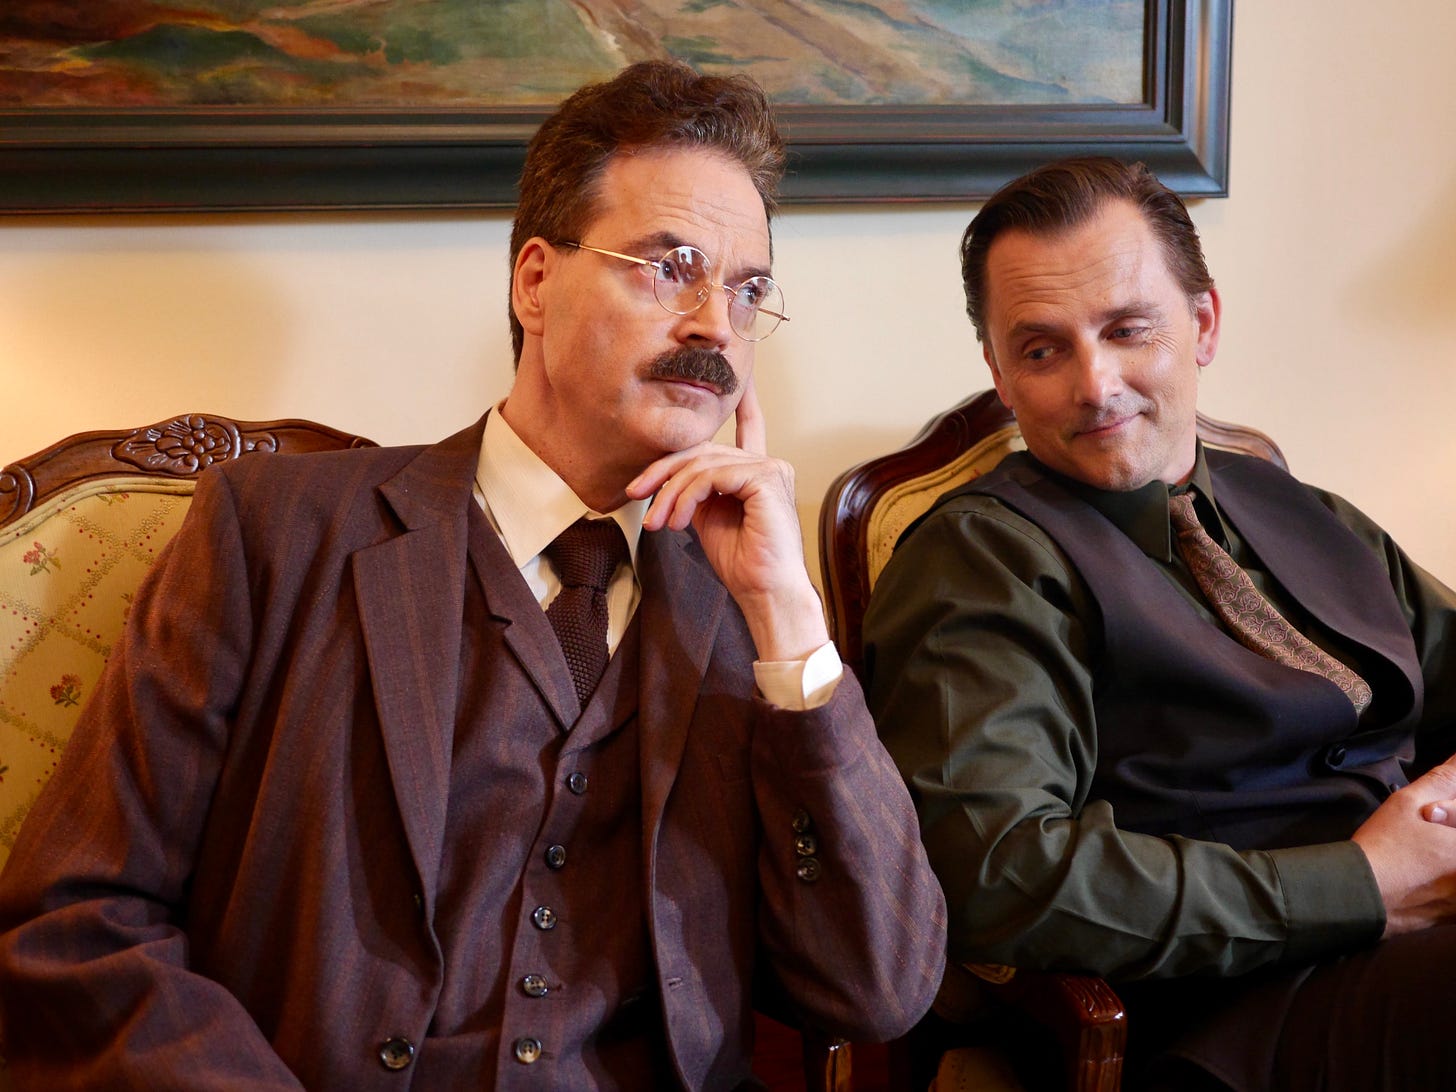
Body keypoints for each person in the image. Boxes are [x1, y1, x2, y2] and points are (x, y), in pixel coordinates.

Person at [0, 61, 945, 1091]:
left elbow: (876, 992)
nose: (716, 324)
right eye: (670, 266)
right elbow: (79, 919)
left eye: (747, 288)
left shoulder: (748, 604)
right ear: (534, 281)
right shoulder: (276, 532)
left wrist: (792, 632)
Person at [863, 156, 1456, 1091]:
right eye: (1043, 349)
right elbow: (1003, 871)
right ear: (1001, 374)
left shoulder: (1310, 510)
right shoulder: (978, 560)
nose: (1095, 387)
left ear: (1204, 324)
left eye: (1128, 329)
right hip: (1225, 1011)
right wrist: (1362, 883)